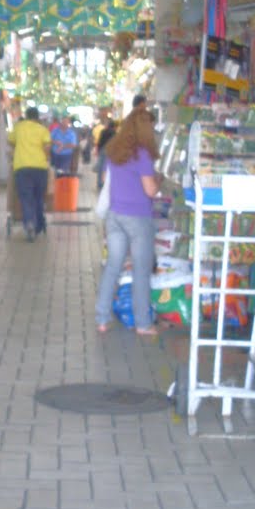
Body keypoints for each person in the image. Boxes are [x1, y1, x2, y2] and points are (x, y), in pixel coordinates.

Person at [94, 107, 160, 337]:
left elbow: (105, 179)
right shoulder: (142, 154)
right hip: (138, 218)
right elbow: (150, 190)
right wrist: (158, 181)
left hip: (115, 216)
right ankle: (143, 323)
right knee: (142, 271)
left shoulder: (114, 150)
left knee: (113, 266)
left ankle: (102, 318)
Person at [7, 105, 51, 241]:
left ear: (26, 116)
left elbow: (10, 141)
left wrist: (17, 148)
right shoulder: (43, 129)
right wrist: (46, 159)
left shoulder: (18, 128)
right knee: (38, 197)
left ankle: (29, 223)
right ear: (37, 117)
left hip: (22, 167)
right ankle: (38, 224)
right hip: (40, 168)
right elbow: (47, 147)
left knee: (26, 197)